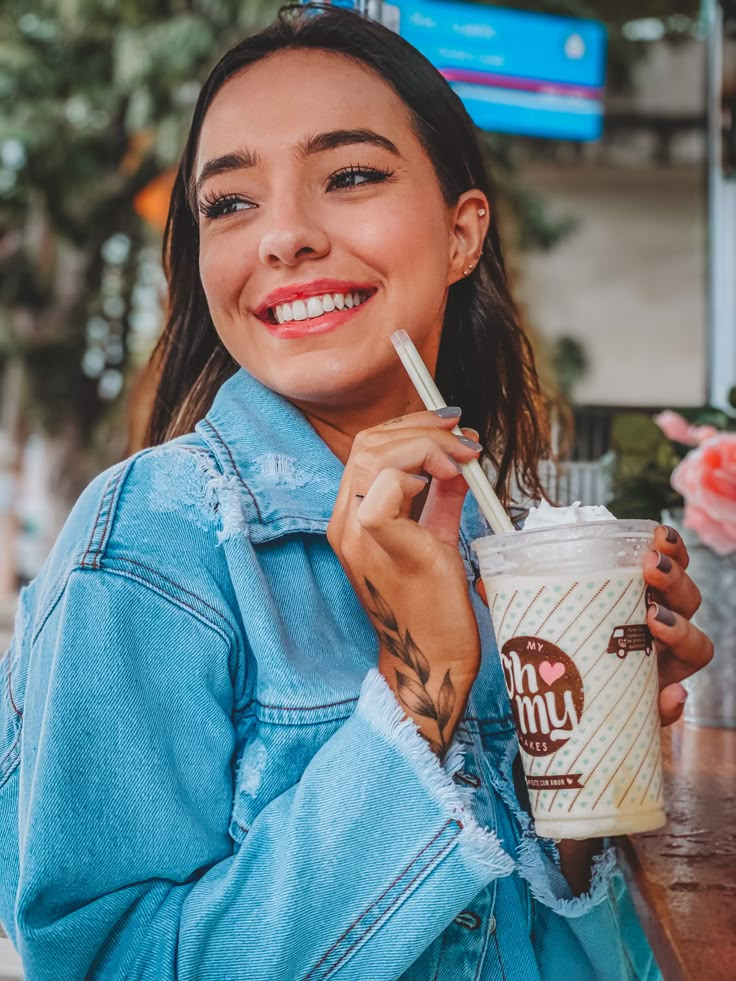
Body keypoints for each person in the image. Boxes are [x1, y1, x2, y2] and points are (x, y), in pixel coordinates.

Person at [0, 7, 713, 979]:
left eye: (348, 176)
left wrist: (591, 764)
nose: (285, 235)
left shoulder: (484, 533)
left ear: (463, 234)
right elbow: (98, 962)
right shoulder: (148, 542)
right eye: (229, 204)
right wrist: (419, 694)